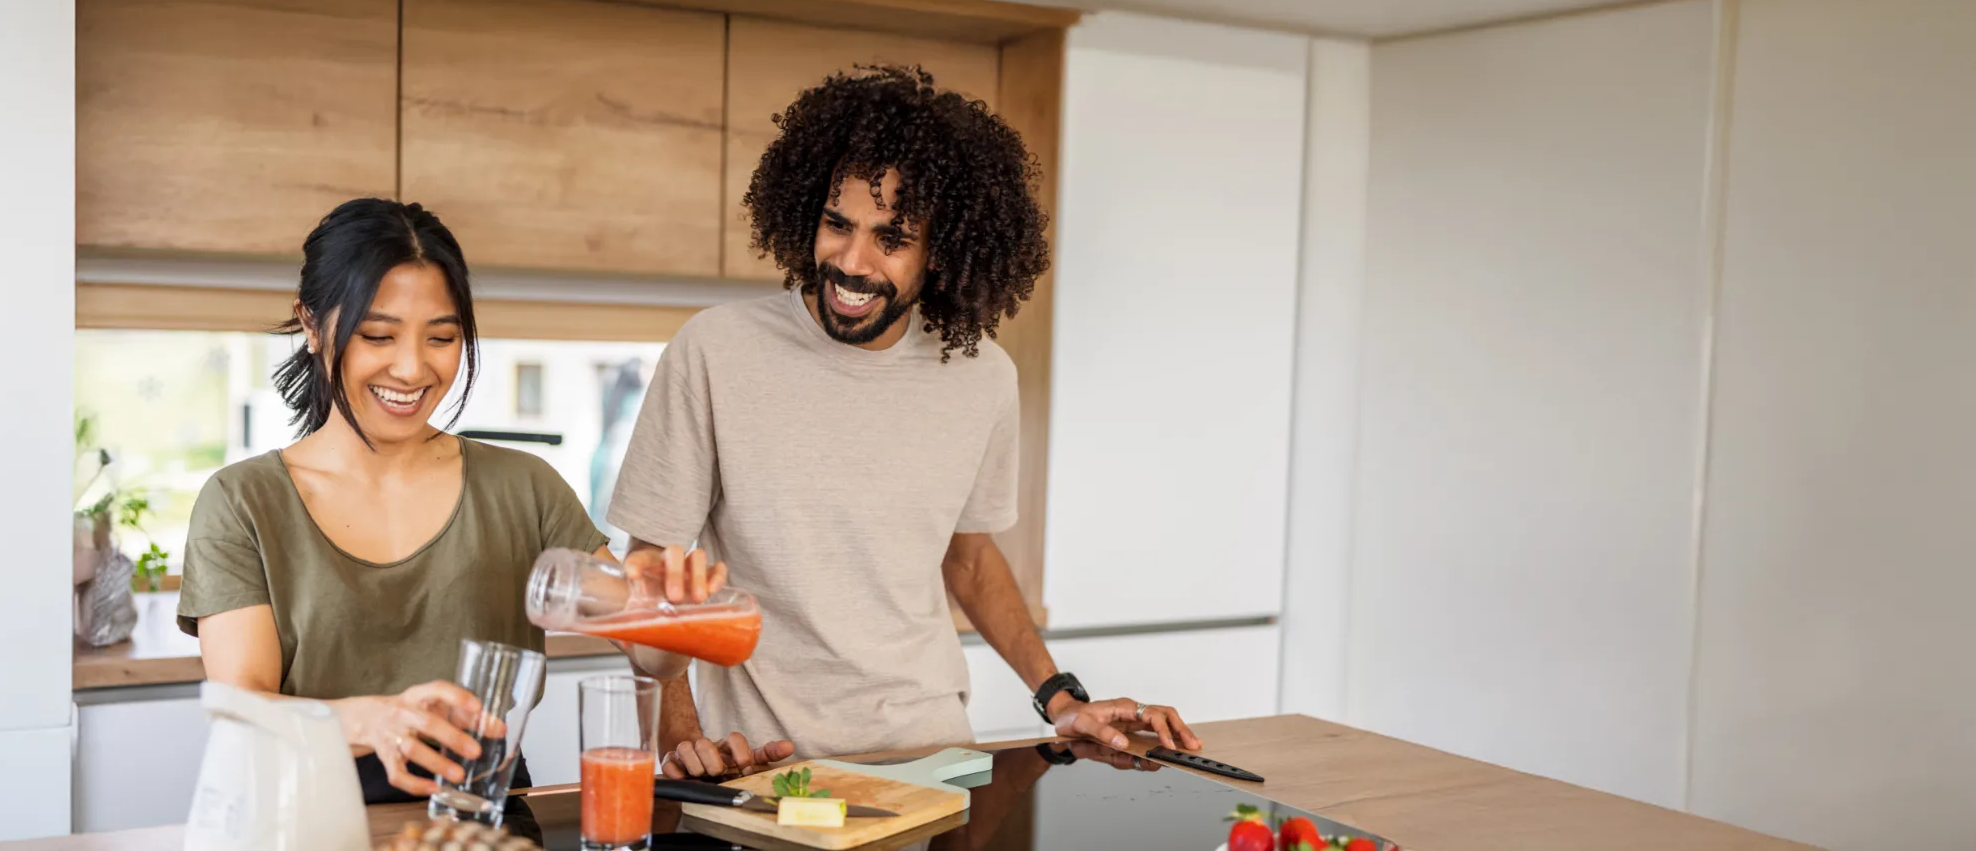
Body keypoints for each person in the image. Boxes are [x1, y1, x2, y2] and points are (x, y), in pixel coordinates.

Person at [608, 65, 1206, 777]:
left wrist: (1059, 696)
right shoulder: (716, 351)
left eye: (890, 238)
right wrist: (684, 736)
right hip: (762, 763)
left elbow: (970, 557)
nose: (850, 261)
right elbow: (652, 570)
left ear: (941, 253)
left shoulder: (982, 377)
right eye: (836, 224)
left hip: (929, 755)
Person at [176, 197, 723, 802]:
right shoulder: (242, 502)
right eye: (377, 335)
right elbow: (244, 710)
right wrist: (376, 721)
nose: (411, 369)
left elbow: (649, 654)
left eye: (441, 337)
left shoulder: (524, 489)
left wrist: (673, 621)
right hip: (304, 818)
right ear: (310, 323)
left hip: (485, 820)